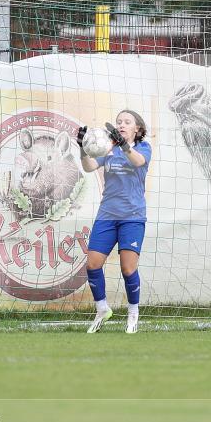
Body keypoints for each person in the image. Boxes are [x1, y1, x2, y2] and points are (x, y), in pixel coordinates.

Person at [77, 110, 151, 334]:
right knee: (92, 264)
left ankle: (133, 313)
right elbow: (89, 167)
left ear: (137, 128)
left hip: (132, 217)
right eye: (119, 122)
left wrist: (125, 146)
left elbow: (138, 162)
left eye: (127, 122)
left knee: (128, 269)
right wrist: (83, 148)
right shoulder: (109, 149)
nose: (122, 124)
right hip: (107, 215)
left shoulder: (142, 148)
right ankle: (102, 309)